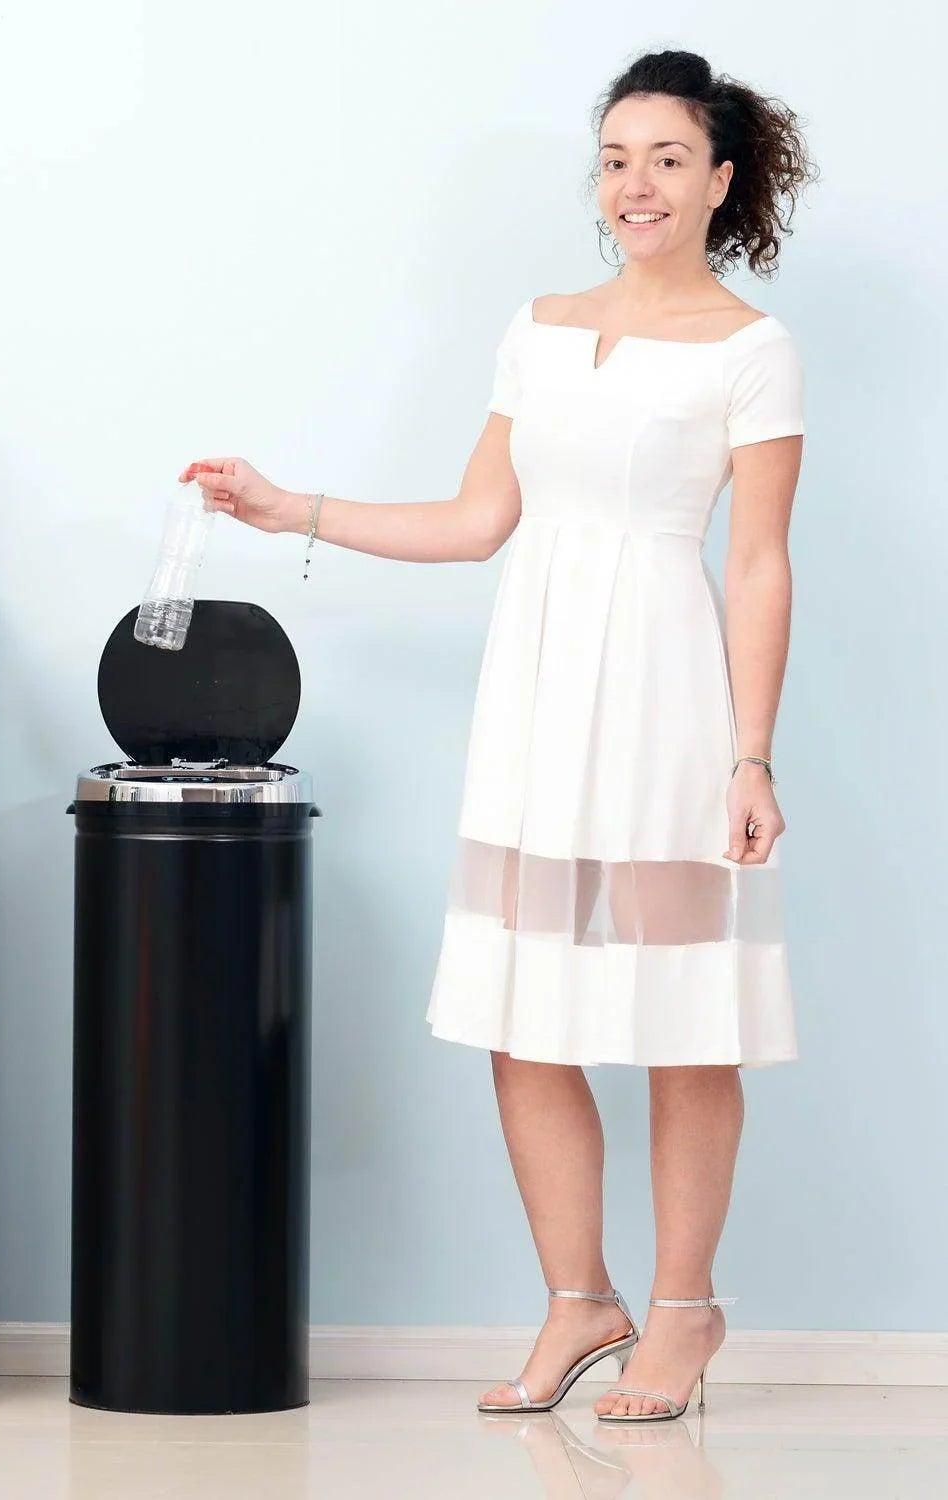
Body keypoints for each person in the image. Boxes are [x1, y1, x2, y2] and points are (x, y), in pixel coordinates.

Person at [179, 48, 816, 1424]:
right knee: (522, 1016)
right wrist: (290, 510)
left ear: (718, 181)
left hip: (665, 697)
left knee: (685, 1021)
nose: (636, 183)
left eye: (666, 159)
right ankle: (581, 1299)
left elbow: (759, 560)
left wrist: (752, 755)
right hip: (536, 690)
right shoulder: (537, 328)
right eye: (615, 158)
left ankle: (686, 1312)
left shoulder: (752, 352)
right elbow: (479, 523)